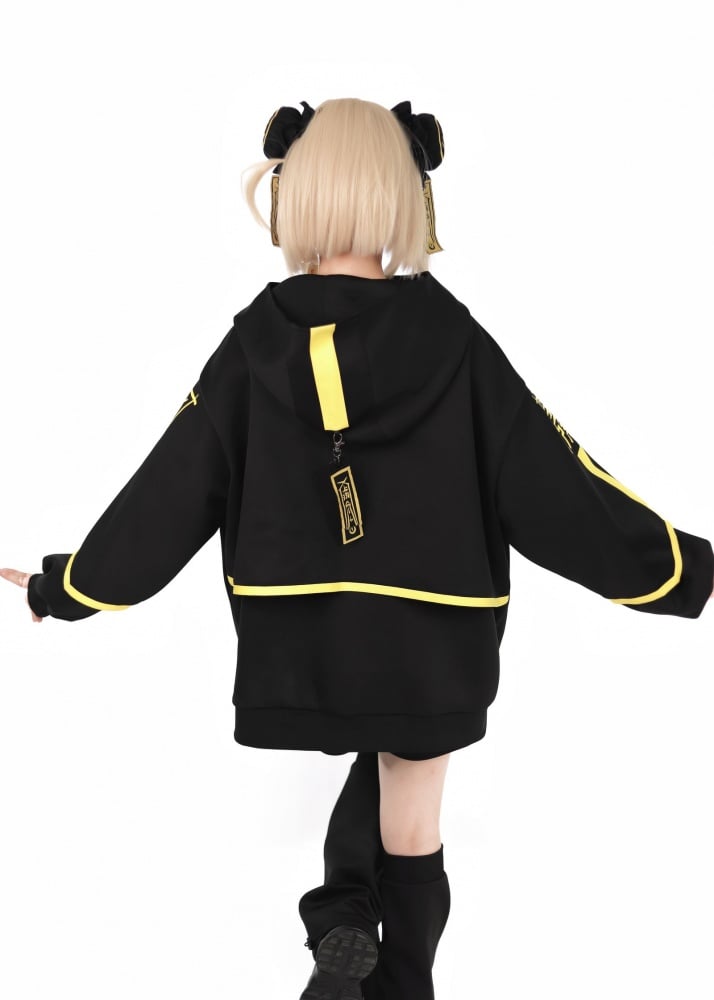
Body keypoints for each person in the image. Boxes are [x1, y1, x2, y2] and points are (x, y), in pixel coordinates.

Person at [1, 97, 712, 1000]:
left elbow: (169, 491)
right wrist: (679, 570)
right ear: (406, 194)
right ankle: (392, 971)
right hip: (434, 638)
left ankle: (340, 916)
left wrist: (67, 587)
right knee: (410, 810)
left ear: (293, 192)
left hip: (299, 637)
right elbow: (553, 483)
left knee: (369, 755)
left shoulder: (253, 345)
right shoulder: (454, 342)